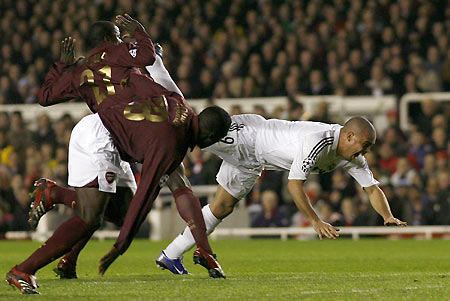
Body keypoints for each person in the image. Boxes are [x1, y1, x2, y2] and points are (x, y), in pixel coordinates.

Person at [7, 15, 231, 294]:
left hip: (122, 131)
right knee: (91, 213)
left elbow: (46, 95)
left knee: (122, 214)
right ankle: (24, 269)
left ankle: (66, 246)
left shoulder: (84, 70)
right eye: (118, 37)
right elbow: (149, 57)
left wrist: (62, 65)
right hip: (103, 133)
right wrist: (138, 34)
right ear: (110, 39)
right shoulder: (127, 57)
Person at [158, 114, 407, 274]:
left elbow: (372, 188)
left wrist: (387, 216)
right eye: (365, 146)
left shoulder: (353, 158)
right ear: (350, 136)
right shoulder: (319, 141)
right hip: (248, 137)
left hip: (254, 162)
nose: (366, 153)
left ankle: (171, 255)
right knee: (186, 133)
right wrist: (316, 220)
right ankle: (145, 122)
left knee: (221, 208)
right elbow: (294, 185)